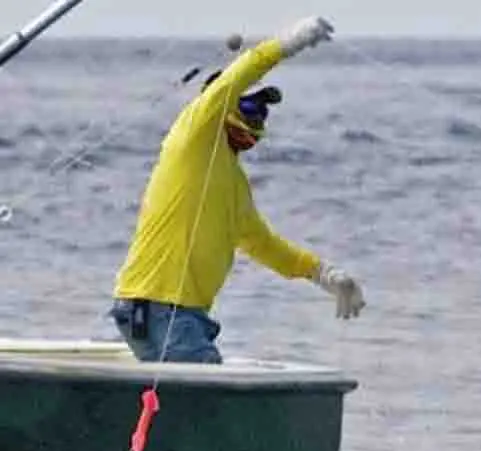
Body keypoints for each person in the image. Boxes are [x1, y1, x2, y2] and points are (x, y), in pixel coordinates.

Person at [108, 16, 365, 364]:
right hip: (161, 310)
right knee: (207, 406)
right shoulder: (194, 136)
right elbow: (238, 75)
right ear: (221, 106)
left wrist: (324, 274)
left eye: (262, 112)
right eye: (249, 107)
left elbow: (263, 244)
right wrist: (289, 43)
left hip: (179, 315)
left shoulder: (234, 183)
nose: (257, 118)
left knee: (182, 409)